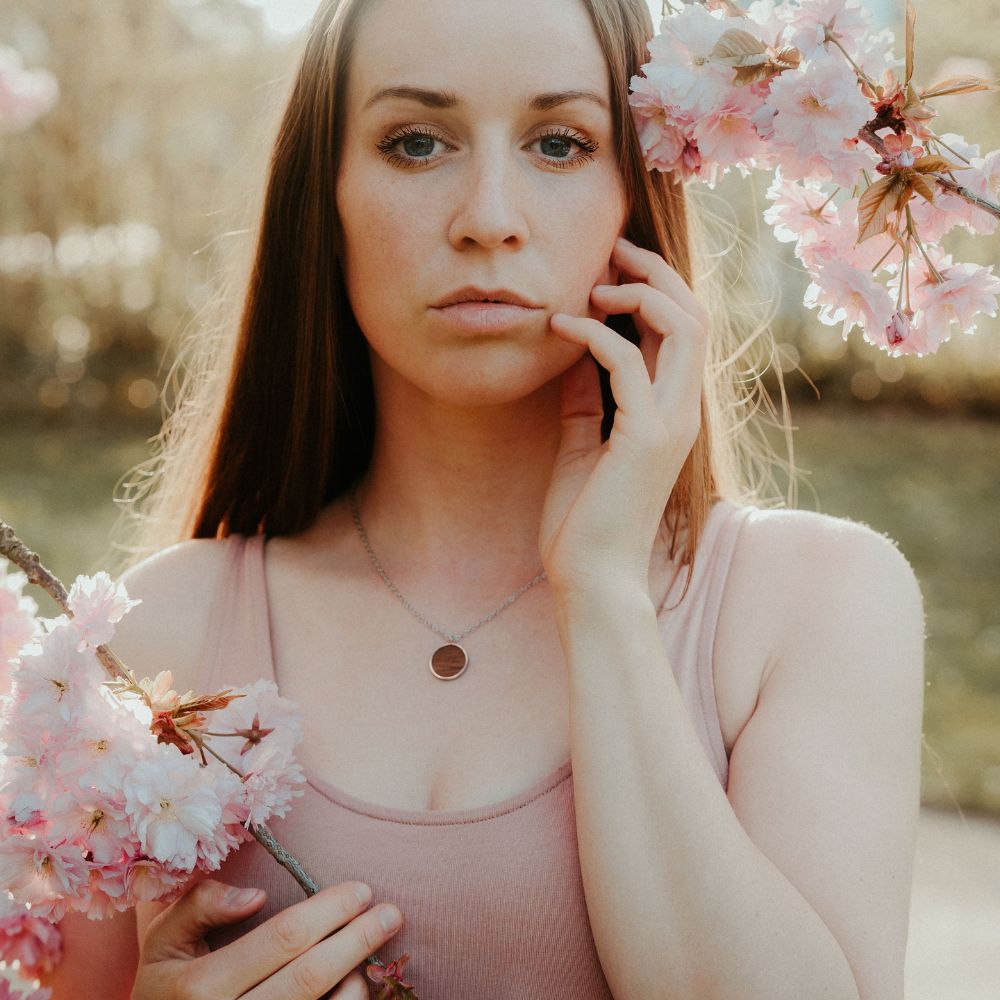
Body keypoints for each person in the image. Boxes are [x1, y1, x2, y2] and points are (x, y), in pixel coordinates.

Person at [40, 0, 925, 997]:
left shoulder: (813, 603)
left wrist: (601, 591)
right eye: (415, 143)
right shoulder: (162, 627)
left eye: (559, 142)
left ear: (635, 199)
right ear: (320, 199)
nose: (488, 217)